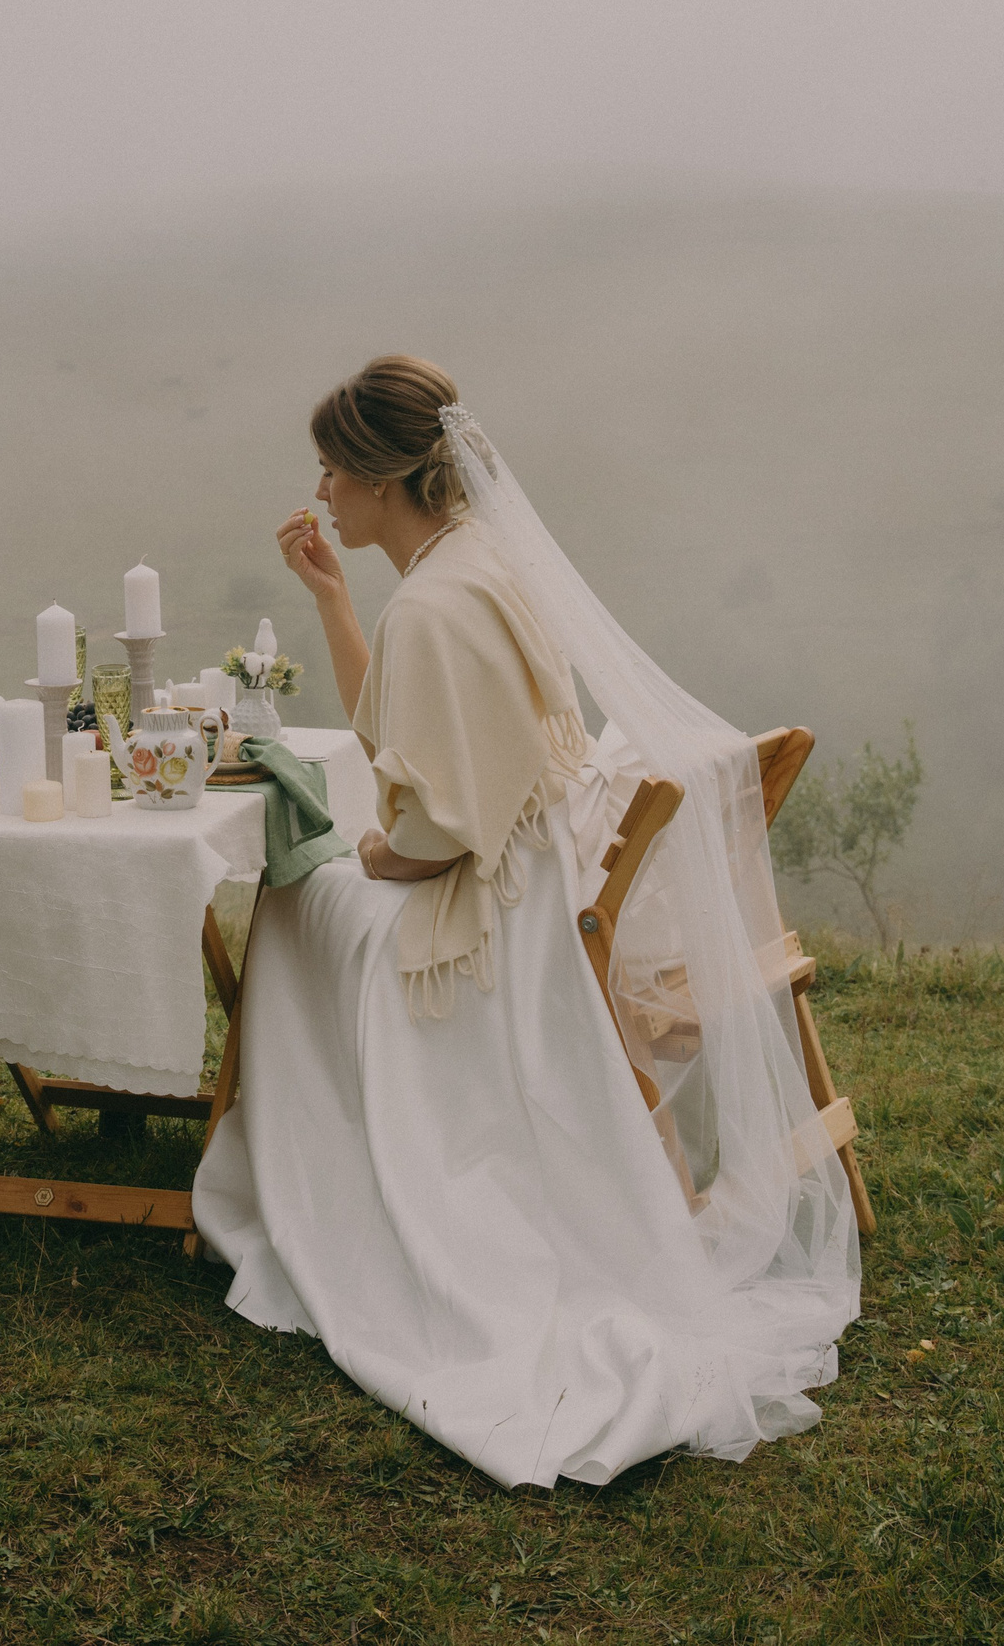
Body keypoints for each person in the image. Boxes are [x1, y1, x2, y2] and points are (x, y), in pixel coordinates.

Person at [191, 355, 862, 1487]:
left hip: (481, 920)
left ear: (380, 478)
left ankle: (310, 1172)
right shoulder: (475, 565)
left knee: (297, 897)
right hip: (536, 898)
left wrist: (368, 851)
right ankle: (307, 1150)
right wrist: (331, 601)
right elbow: (402, 731)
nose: (319, 489)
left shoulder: (439, 606)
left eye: (332, 469)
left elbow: (433, 830)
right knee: (315, 889)